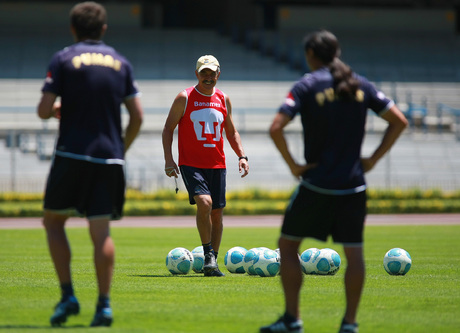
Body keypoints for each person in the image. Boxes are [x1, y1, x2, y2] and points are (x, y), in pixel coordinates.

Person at [260, 30, 408, 333]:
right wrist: (373, 159)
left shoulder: (306, 85)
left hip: (316, 184)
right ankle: (350, 324)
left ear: (311, 55)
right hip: (354, 185)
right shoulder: (359, 84)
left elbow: (276, 128)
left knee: (287, 247)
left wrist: (294, 166)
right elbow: (399, 121)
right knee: (354, 254)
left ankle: (292, 319)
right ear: (336, 52)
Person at [37, 1, 143, 327]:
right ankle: (104, 305)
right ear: (104, 29)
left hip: (72, 154)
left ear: (73, 29)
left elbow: (43, 110)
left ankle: (68, 294)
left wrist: (58, 110)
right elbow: (137, 116)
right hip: (109, 157)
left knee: (54, 223)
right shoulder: (121, 63)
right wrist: (120, 149)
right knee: (102, 233)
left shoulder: (64, 58)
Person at [162, 55, 249, 277]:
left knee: (217, 214)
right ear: (196, 74)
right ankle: (208, 252)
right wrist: (169, 159)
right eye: (204, 73)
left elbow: (231, 132)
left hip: (217, 164)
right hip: (191, 163)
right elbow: (168, 129)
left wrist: (242, 156)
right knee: (205, 202)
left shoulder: (223, 99)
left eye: (212, 73)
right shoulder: (185, 97)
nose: (208, 77)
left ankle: (213, 262)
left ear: (218, 74)